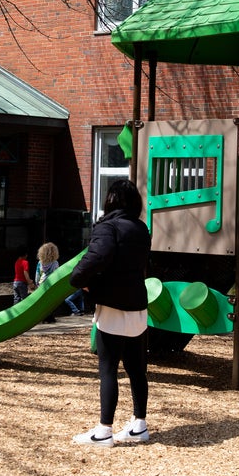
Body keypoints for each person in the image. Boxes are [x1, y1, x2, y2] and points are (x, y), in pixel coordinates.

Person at [69, 177, 152, 448]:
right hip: (138, 305)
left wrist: (78, 279)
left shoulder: (108, 227)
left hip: (112, 306)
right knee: (137, 368)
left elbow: (97, 257)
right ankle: (139, 424)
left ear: (111, 200)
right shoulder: (141, 228)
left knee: (108, 369)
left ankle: (104, 430)